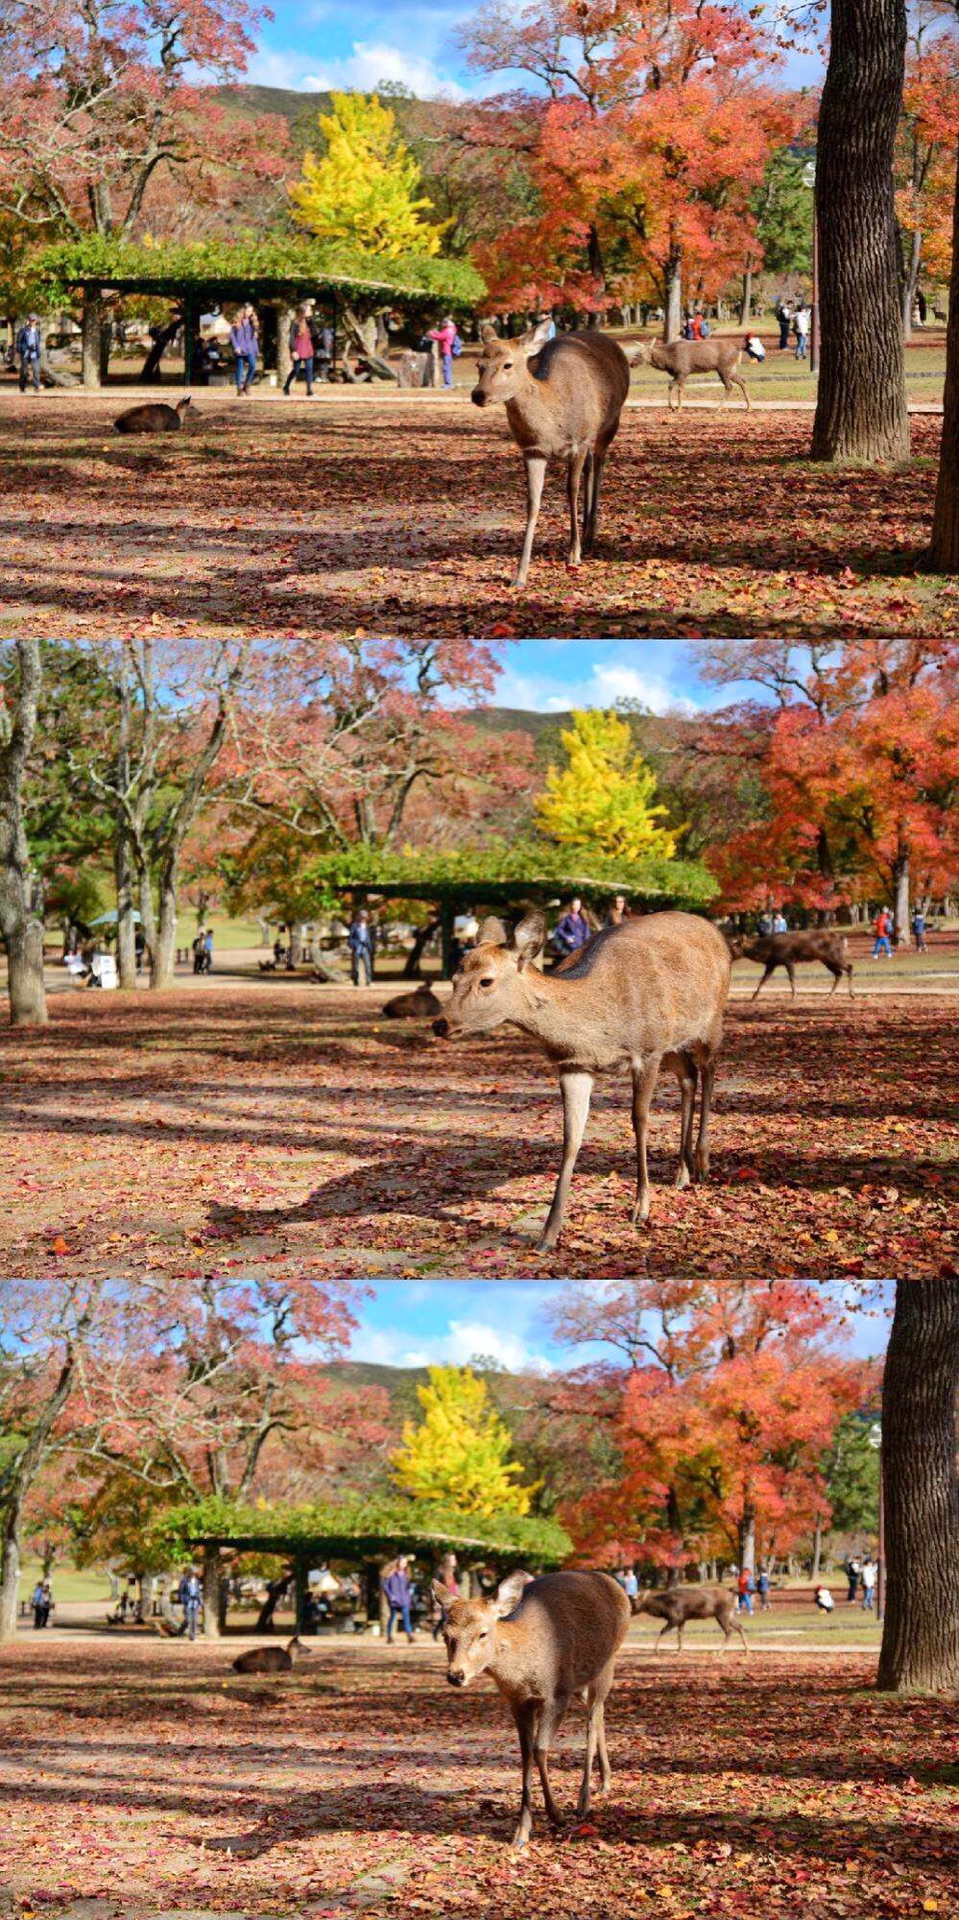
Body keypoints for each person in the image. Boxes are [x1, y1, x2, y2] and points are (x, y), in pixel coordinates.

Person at [284, 307, 317, 396]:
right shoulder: (295, 323)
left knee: (309, 370)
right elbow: (291, 338)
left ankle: (309, 390)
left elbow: (314, 334)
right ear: (303, 312)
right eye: (309, 310)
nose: (311, 312)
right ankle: (286, 386)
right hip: (298, 348)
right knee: (296, 370)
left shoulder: (310, 322)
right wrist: (293, 350)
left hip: (308, 348)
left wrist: (312, 321)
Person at [383, 1556, 415, 1644]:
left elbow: (408, 1586)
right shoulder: (391, 1574)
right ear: (398, 1563)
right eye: (402, 1562)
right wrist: (390, 1596)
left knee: (406, 1618)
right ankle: (389, 1636)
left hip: (404, 1600)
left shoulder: (406, 1574)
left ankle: (409, 1635)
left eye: (405, 1563)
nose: (404, 1564)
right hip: (394, 1601)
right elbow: (385, 1586)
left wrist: (409, 1593)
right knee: (392, 1617)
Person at [229, 304, 258, 394]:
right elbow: (232, 336)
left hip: (250, 348)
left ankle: (247, 385)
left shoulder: (252, 322)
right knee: (240, 369)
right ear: (243, 310)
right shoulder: (237, 321)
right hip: (240, 349)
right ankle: (239, 388)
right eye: (247, 311)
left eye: (250, 311)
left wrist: (256, 349)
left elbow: (253, 337)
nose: (248, 313)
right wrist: (236, 346)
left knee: (253, 366)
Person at [431, 1555, 459, 1640]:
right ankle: (443, 1634)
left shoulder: (454, 1571)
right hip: (444, 1597)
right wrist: (435, 1598)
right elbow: (434, 1584)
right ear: (448, 1561)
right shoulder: (440, 1570)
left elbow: (457, 1583)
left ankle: (436, 1631)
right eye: (453, 1559)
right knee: (445, 1617)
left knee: (450, 1616)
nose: (454, 1561)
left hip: (453, 1596)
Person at [428, 316, 459, 389]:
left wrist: (431, 333)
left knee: (446, 367)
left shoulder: (448, 331)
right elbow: (440, 334)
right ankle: (447, 383)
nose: (441, 324)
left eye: (443, 323)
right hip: (447, 351)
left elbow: (440, 337)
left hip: (447, 351)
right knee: (446, 367)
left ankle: (448, 383)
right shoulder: (451, 330)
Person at [348, 909, 375, 986]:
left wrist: (370, 947)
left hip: (365, 948)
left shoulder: (368, 927)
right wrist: (353, 945)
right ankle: (355, 981)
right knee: (355, 966)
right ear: (358, 917)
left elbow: (369, 938)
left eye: (365, 917)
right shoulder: (354, 926)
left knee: (368, 965)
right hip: (357, 948)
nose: (363, 918)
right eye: (362, 917)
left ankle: (369, 981)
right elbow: (350, 938)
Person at [16, 314, 42, 392]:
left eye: (34, 320)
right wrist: (20, 350)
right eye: (31, 320)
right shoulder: (23, 330)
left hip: (34, 353)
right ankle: (22, 387)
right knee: (24, 371)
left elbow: (38, 342)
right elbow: (19, 342)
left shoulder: (38, 331)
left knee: (36, 370)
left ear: (36, 321)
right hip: (25, 352)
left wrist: (38, 350)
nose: (32, 322)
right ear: (28, 320)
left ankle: (37, 386)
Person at [178, 1568, 202, 1639]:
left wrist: (200, 1601)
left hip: (195, 1601)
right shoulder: (184, 1581)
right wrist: (183, 1600)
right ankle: (181, 1630)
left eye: (195, 1573)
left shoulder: (197, 1581)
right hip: (188, 1601)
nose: (193, 1574)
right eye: (192, 1572)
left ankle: (192, 1636)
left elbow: (198, 1592)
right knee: (188, 1619)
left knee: (194, 1619)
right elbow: (181, 1592)